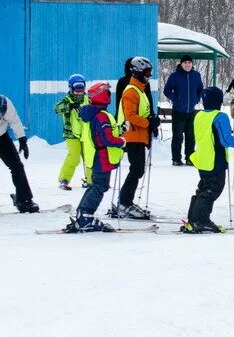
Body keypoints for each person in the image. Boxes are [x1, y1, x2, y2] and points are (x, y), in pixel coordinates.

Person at [181, 87, 234, 233]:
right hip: (215, 160)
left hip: (202, 159)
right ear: (218, 101)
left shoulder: (199, 115)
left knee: (203, 189)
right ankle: (200, 221)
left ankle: (193, 219)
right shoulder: (220, 116)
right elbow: (225, 140)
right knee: (212, 190)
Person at [64, 82, 125, 232]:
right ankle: (85, 216)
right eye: (108, 93)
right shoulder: (101, 116)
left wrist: (119, 130)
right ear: (103, 96)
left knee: (95, 185)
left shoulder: (91, 113)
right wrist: (122, 141)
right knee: (100, 186)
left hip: (96, 156)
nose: (110, 95)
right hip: (103, 157)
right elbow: (107, 139)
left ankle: (82, 213)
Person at [114, 56, 159, 219]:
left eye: (150, 72)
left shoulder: (140, 90)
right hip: (132, 135)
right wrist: (148, 122)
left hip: (140, 135)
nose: (149, 75)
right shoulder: (131, 91)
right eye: (146, 72)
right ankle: (124, 203)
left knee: (138, 169)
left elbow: (144, 111)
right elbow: (130, 116)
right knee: (137, 169)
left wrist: (153, 121)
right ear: (137, 72)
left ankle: (125, 202)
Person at [163, 54, 204, 166]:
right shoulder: (174, 76)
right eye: (185, 62)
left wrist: (196, 99)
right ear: (181, 64)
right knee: (178, 136)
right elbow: (167, 90)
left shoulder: (196, 75)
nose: (187, 64)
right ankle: (176, 159)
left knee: (191, 137)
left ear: (192, 64)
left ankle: (190, 158)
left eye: (189, 62)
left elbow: (200, 89)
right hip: (178, 111)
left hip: (191, 111)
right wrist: (176, 99)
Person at [0, 94, 38, 213]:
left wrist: (22, 139)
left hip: (1, 137)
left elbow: (14, 121)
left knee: (17, 166)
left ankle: (24, 200)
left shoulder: (3, 102)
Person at [54, 73, 91, 190]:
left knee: (89, 157)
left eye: (81, 88)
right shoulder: (67, 100)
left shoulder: (88, 99)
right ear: (71, 88)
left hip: (86, 133)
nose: (79, 92)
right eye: (76, 89)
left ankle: (91, 180)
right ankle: (64, 179)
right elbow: (57, 109)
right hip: (71, 134)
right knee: (74, 157)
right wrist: (69, 106)